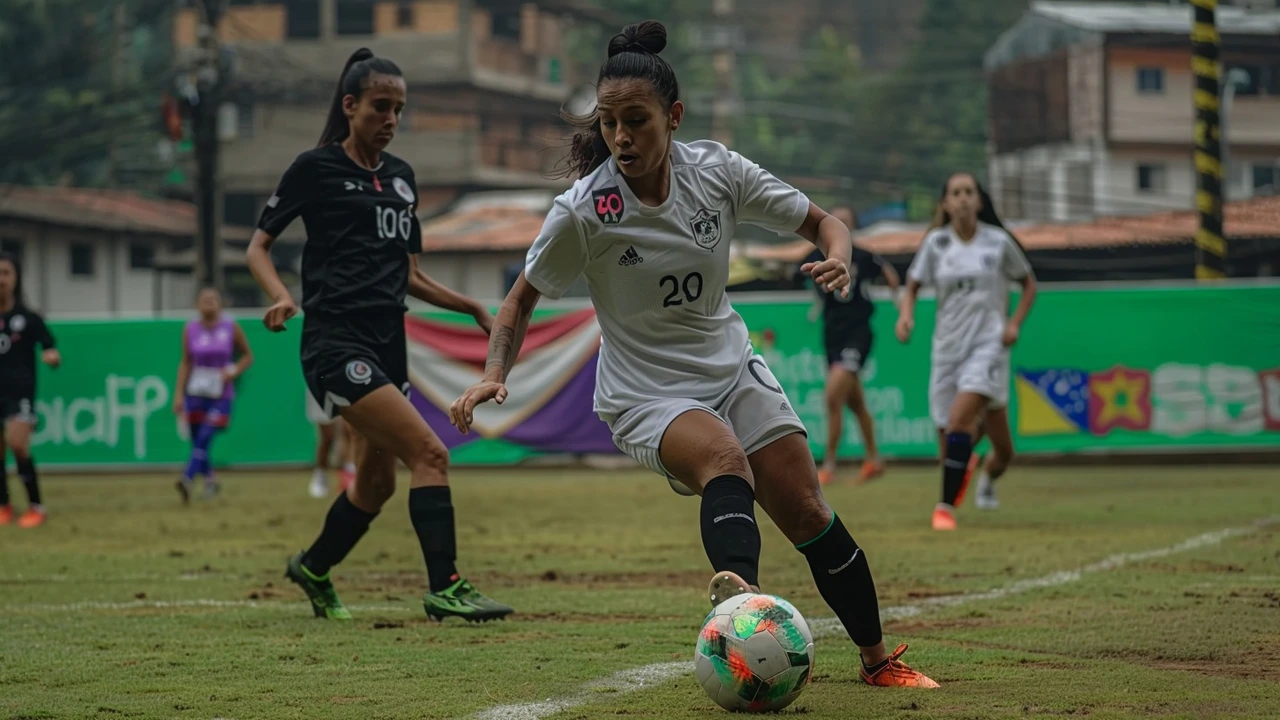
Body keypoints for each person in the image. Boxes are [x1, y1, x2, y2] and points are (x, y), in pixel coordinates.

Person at [450, 21, 937, 688]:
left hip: (730, 366)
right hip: (645, 394)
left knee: (808, 513)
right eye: (611, 122)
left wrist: (840, 258)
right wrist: (493, 374)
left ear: (673, 116)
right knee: (723, 459)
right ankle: (746, 632)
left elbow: (827, 223)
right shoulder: (584, 211)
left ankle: (879, 661)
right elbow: (518, 302)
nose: (622, 137)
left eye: (637, 121)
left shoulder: (718, 172)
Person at [245, 48, 512, 623]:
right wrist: (281, 295)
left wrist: (469, 306)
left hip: (389, 343)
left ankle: (313, 567)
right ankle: (447, 586)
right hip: (335, 343)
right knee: (430, 452)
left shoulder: (402, 179)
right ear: (350, 106)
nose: (391, 119)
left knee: (375, 484)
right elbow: (257, 245)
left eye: (399, 109)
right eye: (381, 107)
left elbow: (409, 275)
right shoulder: (314, 169)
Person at [895, 172, 1037, 530]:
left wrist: (1013, 323)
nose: (962, 199)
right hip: (947, 348)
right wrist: (906, 316)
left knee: (960, 422)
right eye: (955, 193)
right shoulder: (936, 244)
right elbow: (911, 287)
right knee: (976, 446)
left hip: (987, 345)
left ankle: (944, 508)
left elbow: (1028, 284)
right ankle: (987, 473)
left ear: (978, 201)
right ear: (945, 203)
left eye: (968, 192)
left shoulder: (998, 242)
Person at [802, 205, 899, 486]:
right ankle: (874, 459)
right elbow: (797, 272)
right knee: (855, 403)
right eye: (836, 220)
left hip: (858, 333)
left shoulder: (864, 255)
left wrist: (898, 301)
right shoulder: (817, 255)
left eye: (846, 221)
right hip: (833, 335)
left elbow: (889, 273)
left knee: (833, 396)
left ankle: (828, 464)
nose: (841, 225)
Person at [172, 287, 253, 503]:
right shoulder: (190, 329)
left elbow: (247, 356)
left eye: (213, 299)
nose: (209, 302)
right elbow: (186, 362)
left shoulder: (231, 326)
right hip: (196, 392)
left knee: (206, 435)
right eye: (204, 299)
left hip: (221, 393)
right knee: (198, 440)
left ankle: (187, 478)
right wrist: (179, 395)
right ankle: (210, 480)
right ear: (197, 304)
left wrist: (234, 370)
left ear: (221, 303)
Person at [0, 251, 59, 528]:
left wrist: (51, 356)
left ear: (16, 278)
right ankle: (4, 505)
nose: (1, 280)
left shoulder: (28, 318)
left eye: (6, 273)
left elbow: (49, 345)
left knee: (17, 444)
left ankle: (36, 505)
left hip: (19, 393)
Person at [305, 393, 356, 499]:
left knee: (348, 431)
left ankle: (348, 477)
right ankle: (321, 474)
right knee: (328, 437)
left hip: (347, 384)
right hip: (322, 386)